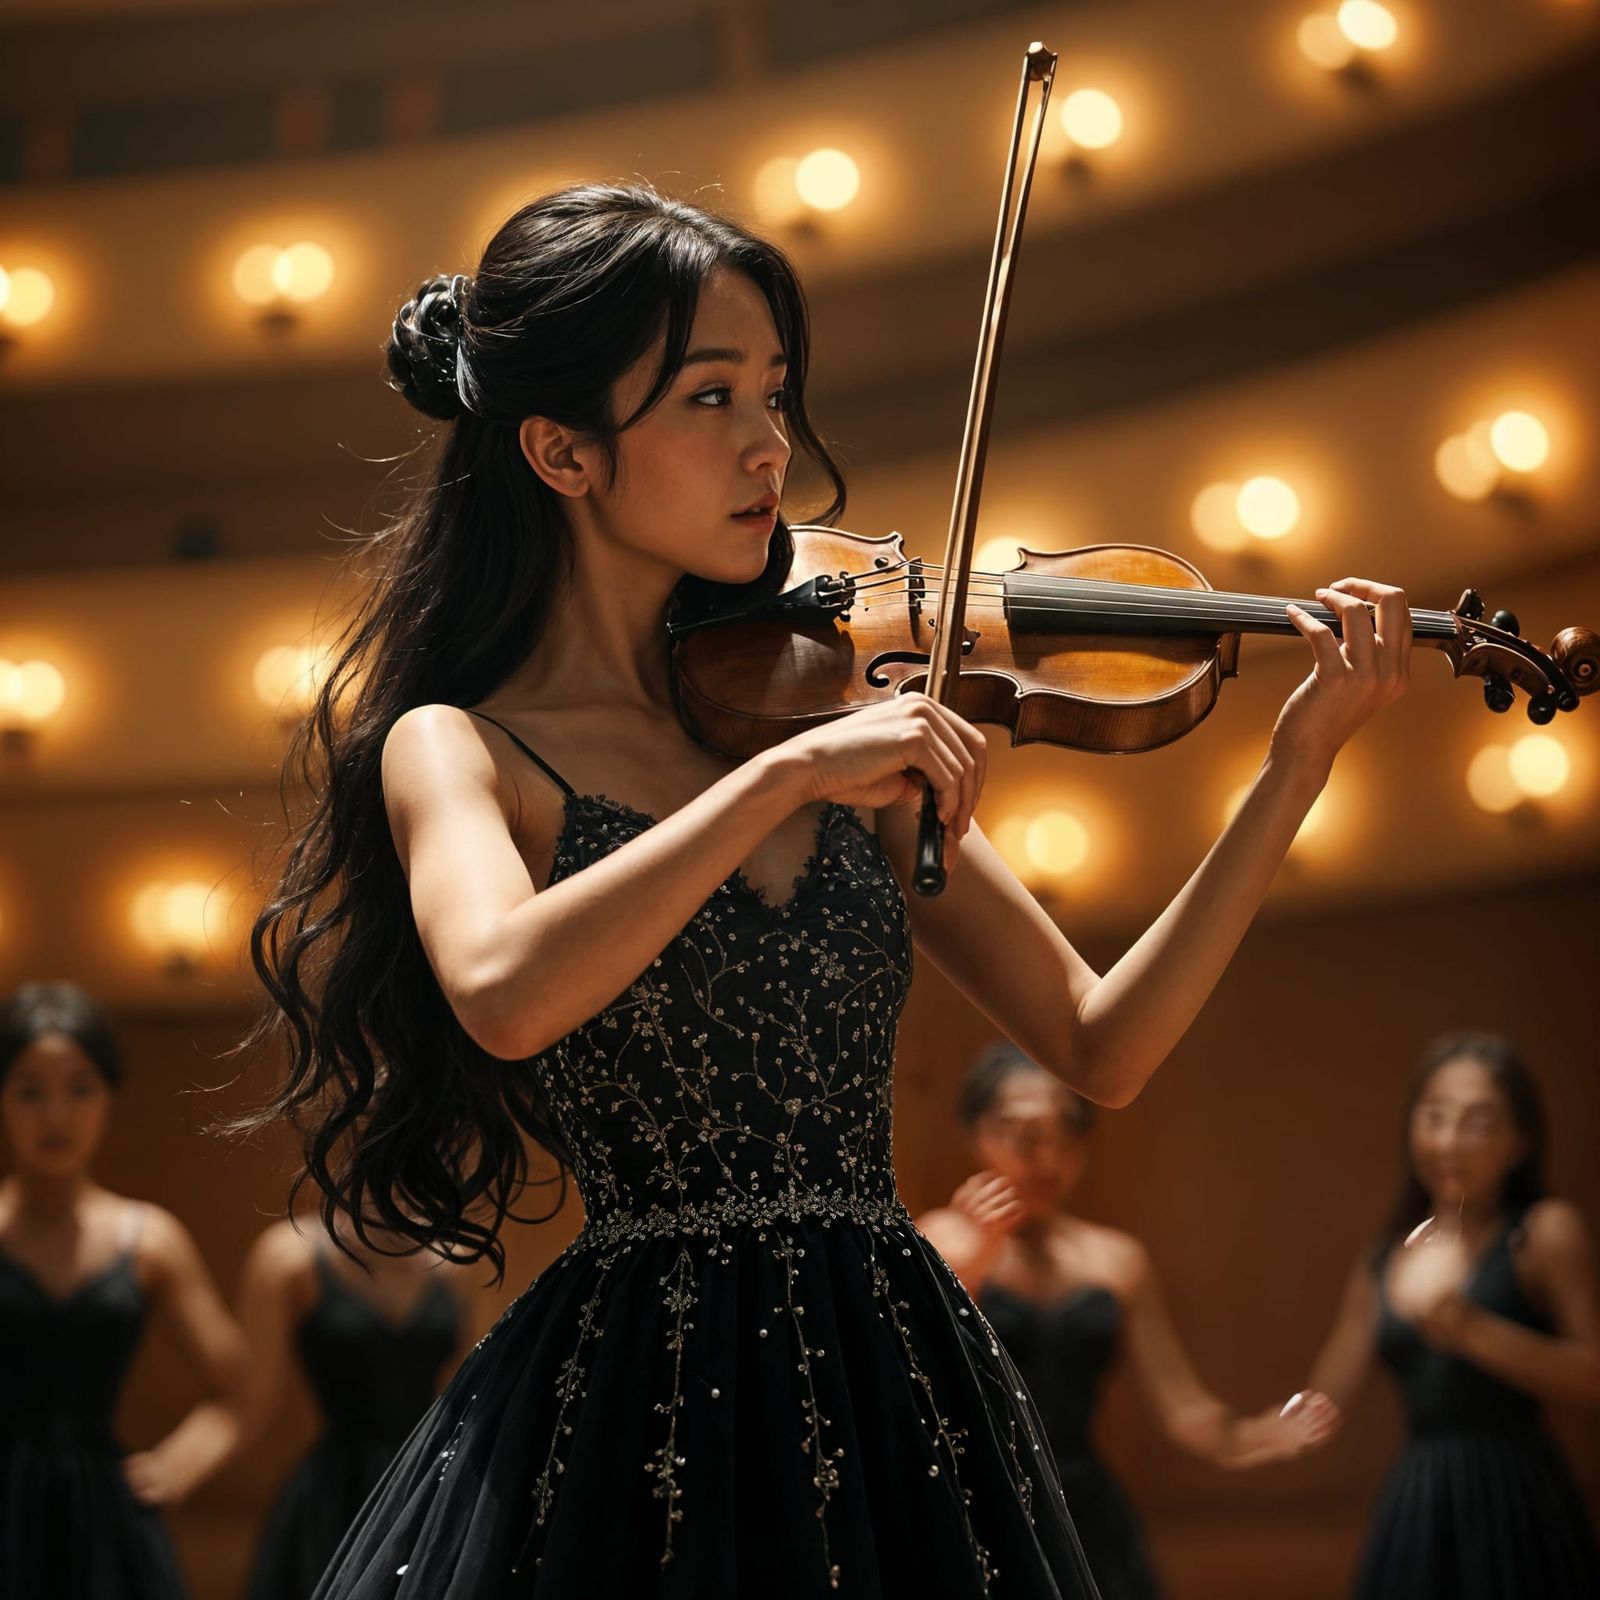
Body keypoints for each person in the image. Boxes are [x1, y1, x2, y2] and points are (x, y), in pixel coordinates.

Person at [231, 181, 1411, 1597]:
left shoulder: (821, 714)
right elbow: (503, 991)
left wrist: (1291, 772)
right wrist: (785, 784)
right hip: (636, 1395)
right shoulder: (470, 749)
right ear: (562, 451)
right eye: (710, 397)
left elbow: (1106, 1045)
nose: (769, 444)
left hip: (891, 1369)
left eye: (777, 394)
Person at [918, 1043, 1338, 1599]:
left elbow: (1180, 1405)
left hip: (1082, 1503)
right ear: (976, 1135)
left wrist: (1253, 1438)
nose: (1039, 1152)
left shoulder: (1116, 1261)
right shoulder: (939, 1240)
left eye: (1061, 1130)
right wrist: (976, 1256)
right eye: (1015, 1129)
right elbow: (912, 1376)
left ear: (1082, 1145)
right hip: (978, 1496)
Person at [1301, 1031, 1600, 1598]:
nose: (1448, 1140)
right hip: (1420, 1497)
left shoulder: (1543, 1233)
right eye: (1433, 1117)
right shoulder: (1386, 1256)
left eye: (1478, 1123)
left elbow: (1593, 1373)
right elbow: (1331, 1387)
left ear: (1519, 1142)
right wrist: (1267, 1431)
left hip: (1518, 1494)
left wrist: (1469, 1330)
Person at [0, 980, 249, 1600]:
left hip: (105, 1514)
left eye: (79, 1089)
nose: (56, 1117)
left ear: (109, 1095)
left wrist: (179, 1465)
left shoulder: (150, 1240)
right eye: (30, 1091)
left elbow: (238, 1388)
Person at [234, 1211, 473, 1600]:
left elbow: (467, 1397)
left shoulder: (456, 1260)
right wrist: (168, 1474)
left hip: (427, 1483)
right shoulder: (290, 1256)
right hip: (335, 1492)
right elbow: (242, 1409)